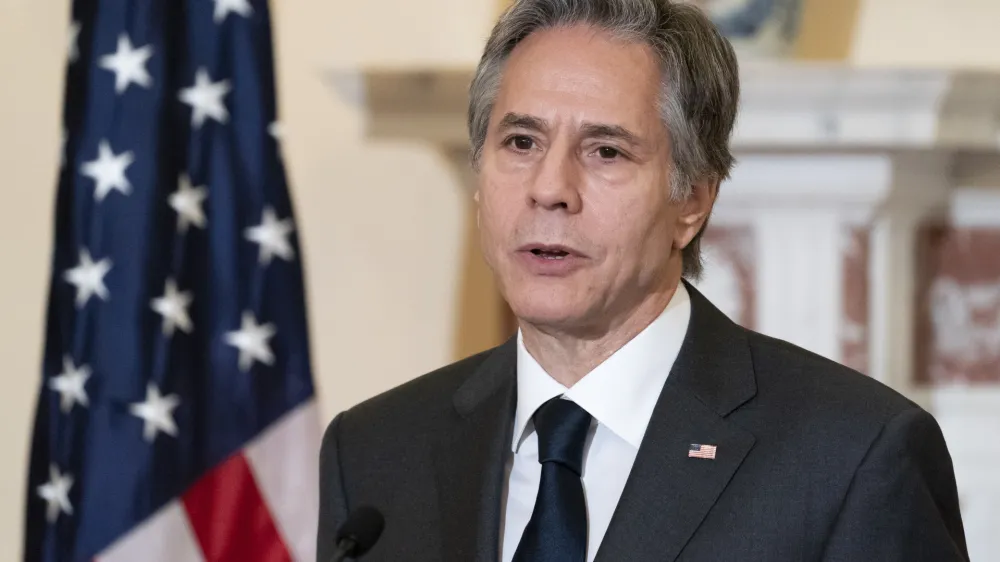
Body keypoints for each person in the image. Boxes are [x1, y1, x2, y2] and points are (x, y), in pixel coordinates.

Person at [317, 1, 969, 560]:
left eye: (606, 151)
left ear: (692, 200)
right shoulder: (374, 453)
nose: (550, 189)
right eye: (520, 142)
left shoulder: (852, 458)